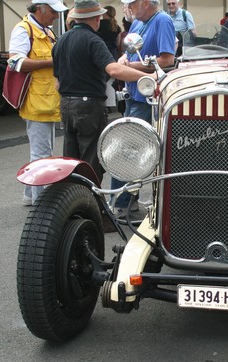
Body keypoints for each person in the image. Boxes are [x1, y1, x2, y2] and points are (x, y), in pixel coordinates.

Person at [52, 0, 153, 183]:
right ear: (97, 18)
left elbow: (57, 82)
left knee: (71, 161)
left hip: (66, 104)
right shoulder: (93, 40)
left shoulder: (61, 40)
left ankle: (72, 203)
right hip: (88, 106)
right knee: (91, 162)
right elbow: (114, 70)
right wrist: (148, 77)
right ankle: (92, 207)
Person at [112, 0, 175, 215]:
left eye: (132, 3)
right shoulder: (138, 23)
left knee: (129, 148)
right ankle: (126, 198)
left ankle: (122, 201)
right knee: (130, 147)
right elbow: (130, 52)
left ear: (146, 2)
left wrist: (129, 66)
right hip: (134, 93)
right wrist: (123, 59)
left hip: (146, 97)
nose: (128, 8)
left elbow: (166, 59)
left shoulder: (162, 21)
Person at [8, 0, 67, 206]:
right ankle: (40, 203)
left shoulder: (46, 30)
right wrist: (51, 62)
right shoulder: (23, 30)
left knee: (42, 152)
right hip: (37, 101)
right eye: (52, 11)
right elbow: (14, 62)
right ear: (40, 8)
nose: (55, 15)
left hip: (48, 100)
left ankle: (29, 194)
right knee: (42, 156)